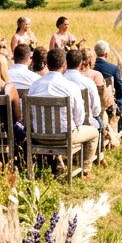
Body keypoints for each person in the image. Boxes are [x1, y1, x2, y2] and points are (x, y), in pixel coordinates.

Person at [30, 47, 98, 176]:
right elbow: (79, 118)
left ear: (47, 64)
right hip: (65, 137)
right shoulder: (70, 87)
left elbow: (31, 114)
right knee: (94, 132)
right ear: (64, 65)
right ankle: (85, 170)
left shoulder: (35, 85)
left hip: (38, 136)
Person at [93, 40, 122, 133]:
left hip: (93, 102)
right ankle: (121, 131)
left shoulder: (91, 67)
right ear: (106, 54)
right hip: (109, 102)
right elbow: (120, 90)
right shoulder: (113, 68)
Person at [64, 48, 103, 135]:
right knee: (100, 124)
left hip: (61, 124)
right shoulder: (88, 83)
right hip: (82, 125)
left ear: (65, 63)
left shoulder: (59, 82)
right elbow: (96, 110)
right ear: (80, 63)